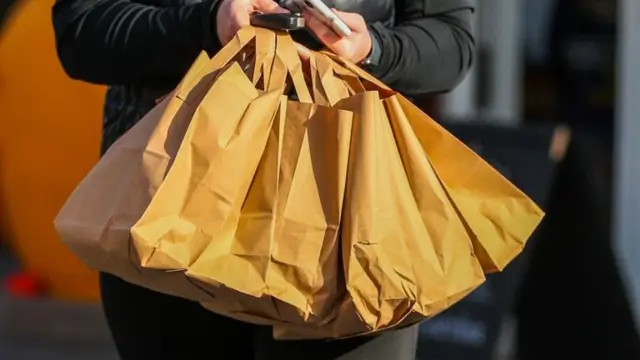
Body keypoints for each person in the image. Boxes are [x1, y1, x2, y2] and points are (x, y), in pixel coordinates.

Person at [52, 0, 475, 359]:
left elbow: (451, 43)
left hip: (349, 224)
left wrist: (373, 47)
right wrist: (206, 23)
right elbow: (81, 30)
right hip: (169, 216)